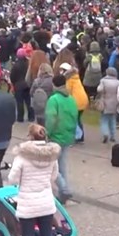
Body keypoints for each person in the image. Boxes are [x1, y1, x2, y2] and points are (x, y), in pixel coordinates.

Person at [7, 124, 60, 236]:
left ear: (30, 136)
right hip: (46, 203)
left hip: (28, 204)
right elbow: (54, 176)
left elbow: (12, 179)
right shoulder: (52, 156)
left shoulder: (22, 156)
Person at [45, 74, 78, 203]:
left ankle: (64, 189)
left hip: (56, 136)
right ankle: (63, 189)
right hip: (67, 135)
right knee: (62, 164)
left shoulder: (53, 100)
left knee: (51, 165)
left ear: (54, 85)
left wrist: (47, 133)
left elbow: (51, 118)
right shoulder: (71, 99)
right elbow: (75, 116)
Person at [61, 63, 88, 143]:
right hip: (83, 100)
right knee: (78, 119)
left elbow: (67, 92)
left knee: (74, 120)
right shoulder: (76, 78)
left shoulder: (69, 80)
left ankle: (77, 136)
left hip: (76, 102)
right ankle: (80, 137)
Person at [97, 67, 119, 143]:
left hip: (105, 103)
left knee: (104, 120)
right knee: (113, 120)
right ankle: (113, 136)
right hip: (114, 103)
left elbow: (99, 89)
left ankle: (105, 134)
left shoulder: (103, 81)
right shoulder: (118, 82)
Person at [11, 48, 34, 123]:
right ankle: (31, 116)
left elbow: (12, 76)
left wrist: (13, 83)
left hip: (18, 85)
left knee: (19, 102)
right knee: (29, 101)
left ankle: (20, 117)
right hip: (27, 84)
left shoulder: (15, 65)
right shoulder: (28, 63)